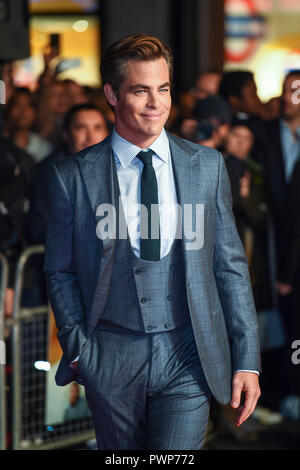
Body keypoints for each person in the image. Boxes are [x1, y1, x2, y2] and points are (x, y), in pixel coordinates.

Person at [43, 34, 261, 450]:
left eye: (162, 89)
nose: (155, 103)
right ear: (112, 94)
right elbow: (60, 270)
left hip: (189, 354)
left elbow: (230, 267)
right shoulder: (73, 176)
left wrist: (247, 359)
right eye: (140, 90)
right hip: (110, 354)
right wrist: (78, 350)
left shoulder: (206, 166)